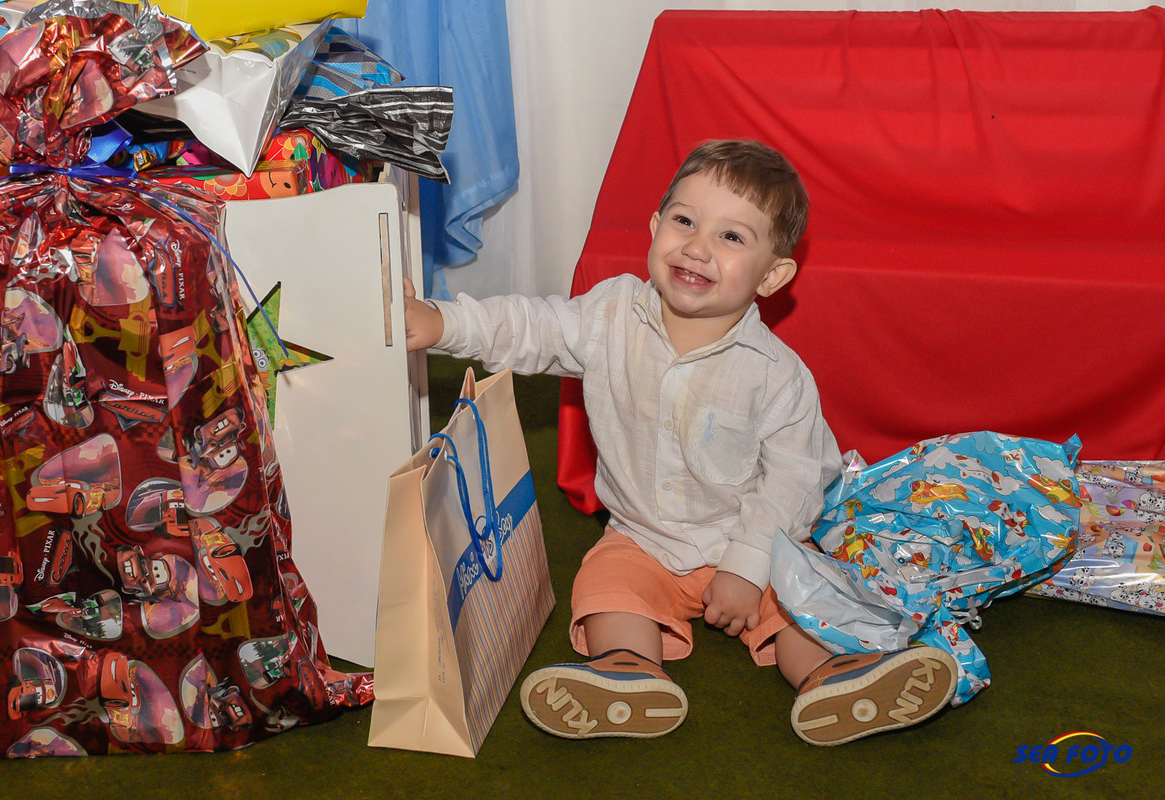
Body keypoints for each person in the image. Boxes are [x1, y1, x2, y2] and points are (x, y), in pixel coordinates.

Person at [403, 139, 957, 746]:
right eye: (685, 221)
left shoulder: (778, 374)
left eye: (732, 237)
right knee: (607, 591)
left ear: (772, 276)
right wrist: (444, 322)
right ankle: (627, 670)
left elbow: (796, 479)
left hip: (747, 537)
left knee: (798, 605)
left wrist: (747, 566)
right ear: (654, 227)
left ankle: (833, 675)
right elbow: (530, 326)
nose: (697, 247)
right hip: (640, 537)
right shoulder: (611, 315)